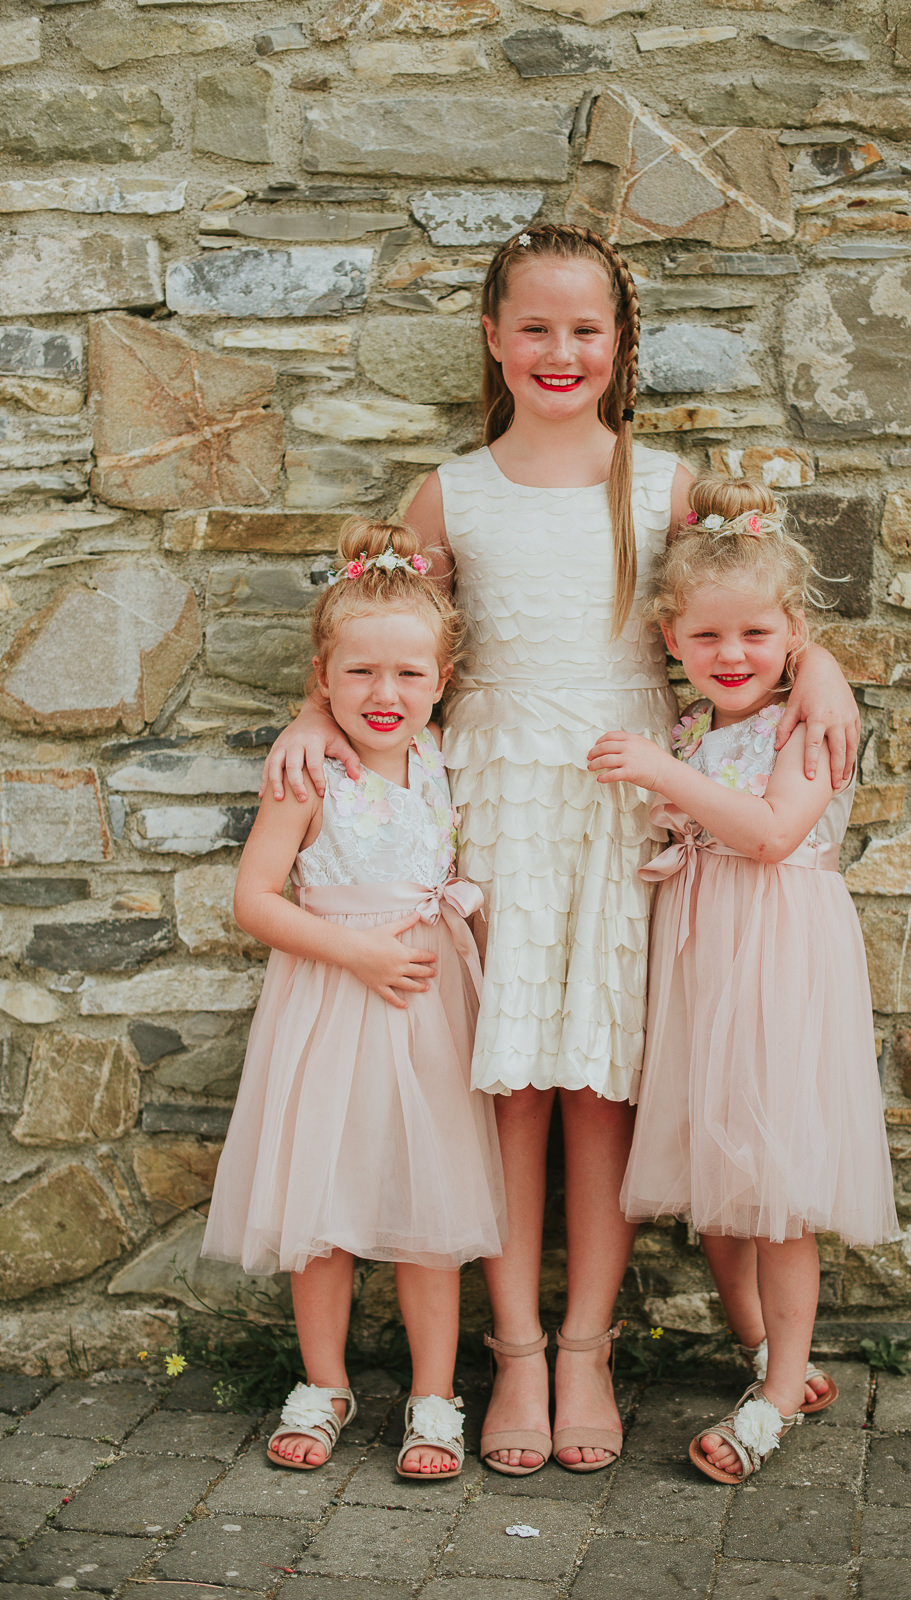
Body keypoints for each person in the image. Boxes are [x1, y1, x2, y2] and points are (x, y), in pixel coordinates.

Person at [263, 224, 860, 1476]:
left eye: (586, 330)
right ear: (491, 336)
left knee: (604, 1080)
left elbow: (745, 603)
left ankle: (586, 1342)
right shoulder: (451, 489)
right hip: (492, 803)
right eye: (533, 326)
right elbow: (381, 630)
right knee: (509, 1078)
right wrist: (315, 713)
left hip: (626, 796)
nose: (559, 351)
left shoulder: (664, 484)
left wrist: (829, 665)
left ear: (620, 347)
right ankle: (516, 1350)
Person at [588, 476, 898, 1484]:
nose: (733, 656)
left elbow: (768, 834)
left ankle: (774, 1395)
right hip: (705, 963)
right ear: (673, 641)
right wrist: (674, 789)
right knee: (715, 1184)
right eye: (709, 638)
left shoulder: (807, 726)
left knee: (775, 1192)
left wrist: (661, 776)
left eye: (758, 636)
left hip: (778, 960)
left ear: (795, 634)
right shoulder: (696, 727)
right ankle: (772, 1350)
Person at [202, 519, 505, 1481]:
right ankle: (324, 1381)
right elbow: (254, 900)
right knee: (320, 1197)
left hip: (428, 1009)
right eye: (360, 674)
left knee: (433, 1205)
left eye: (409, 676)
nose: (386, 694)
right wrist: (359, 954)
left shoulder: (444, 763)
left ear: (443, 680)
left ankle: (433, 1394)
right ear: (322, 680)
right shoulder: (311, 773)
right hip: (333, 1001)